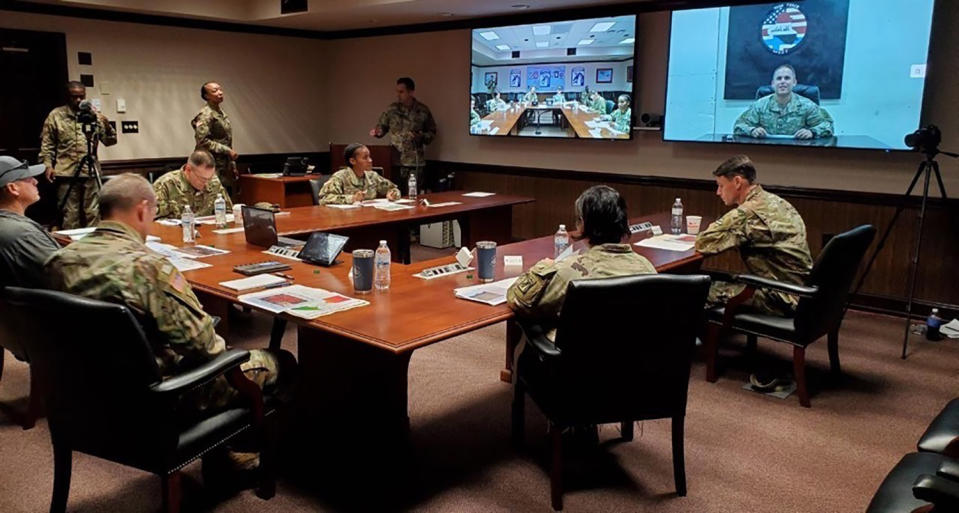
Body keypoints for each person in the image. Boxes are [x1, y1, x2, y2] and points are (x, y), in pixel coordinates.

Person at [45, 174, 294, 415]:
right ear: (143, 210)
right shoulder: (148, 267)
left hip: (86, 389)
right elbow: (204, 345)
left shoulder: (58, 260)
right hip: (160, 393)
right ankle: (250, 450)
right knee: (280, 361)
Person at [507, 185, 657, 342]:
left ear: (582, 223)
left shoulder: (571, 272)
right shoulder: (648, 269)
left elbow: (519, 300)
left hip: (580, 361)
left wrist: (544, 267)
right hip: (634, 360)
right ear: (624, 223)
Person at [695, 155, 813, 316]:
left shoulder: (748, 213)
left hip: (779, 297)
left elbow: (703, 242)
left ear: (737, 182)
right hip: (802, 293)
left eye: (721, 186)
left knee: (693, 291)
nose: (718, 192)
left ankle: (698, 339)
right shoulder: (776, 202)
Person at [40, 81, 118, 229]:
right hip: (66, 171)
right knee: (70, 213)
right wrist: (48, 165)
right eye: (73, 97)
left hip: (90, 170)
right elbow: (47, 144)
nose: (78, 100)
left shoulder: (94, 115)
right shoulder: (56, 115)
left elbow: (110, 141)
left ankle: (93, 244)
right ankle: (71, 244)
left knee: (93, 211)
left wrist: (106, 123)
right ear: (67, 97)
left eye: (81, 97)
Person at [0, 156, 60, 288]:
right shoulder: (23, 233)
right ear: (12, 188)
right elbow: (69, 275)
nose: (35, 182)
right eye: (27, 178)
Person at [370, 77, 437, 191]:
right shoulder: (392, 109)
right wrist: (377, 131)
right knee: (394, 194)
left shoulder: (422, 110)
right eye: (397, 92)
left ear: (411, 92)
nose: (398, 95)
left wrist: (420, 137)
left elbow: (432, 132)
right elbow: (382, 126)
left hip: (414, 162)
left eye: (401, 92)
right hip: (394, 161)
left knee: (412, 196)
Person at [733, 64, 833, 140]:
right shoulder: (760, 105)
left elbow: (827, 126)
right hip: (765, 152)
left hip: (799, 154)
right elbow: (739, 126)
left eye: (787, 78)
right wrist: (752, 131)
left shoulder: (807, 105)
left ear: (794, 83)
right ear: (773, 84)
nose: (782, 81)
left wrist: (812, 132)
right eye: (779, 78)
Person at [153, 150, 232, 219]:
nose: (207, 183)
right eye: (202, 179)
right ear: (188, 170)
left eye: (210, 178)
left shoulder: (214, 182)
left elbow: (229, 213)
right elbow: (154, 221)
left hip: (209, 233)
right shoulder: (165, 184)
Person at [192, 81, 238, 197]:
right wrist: (227, 150)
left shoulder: (220, 112)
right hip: (209, 165)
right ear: (206, 96)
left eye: (220, 89)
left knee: (225, 198)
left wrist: (232, 165)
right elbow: (202, 141)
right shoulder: (206, 114)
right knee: (212, 199)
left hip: (223, 165)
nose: (220, 93)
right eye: (215, 91)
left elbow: (226, 139)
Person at [317, 143, 401, 205]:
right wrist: (352, 198)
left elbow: (393, 188)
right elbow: (324, 199)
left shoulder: (372, 176)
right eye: (365, 158)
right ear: (352, 161)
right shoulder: (340, 177)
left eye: (369, 157)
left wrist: (393, 194)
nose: (370, 160)